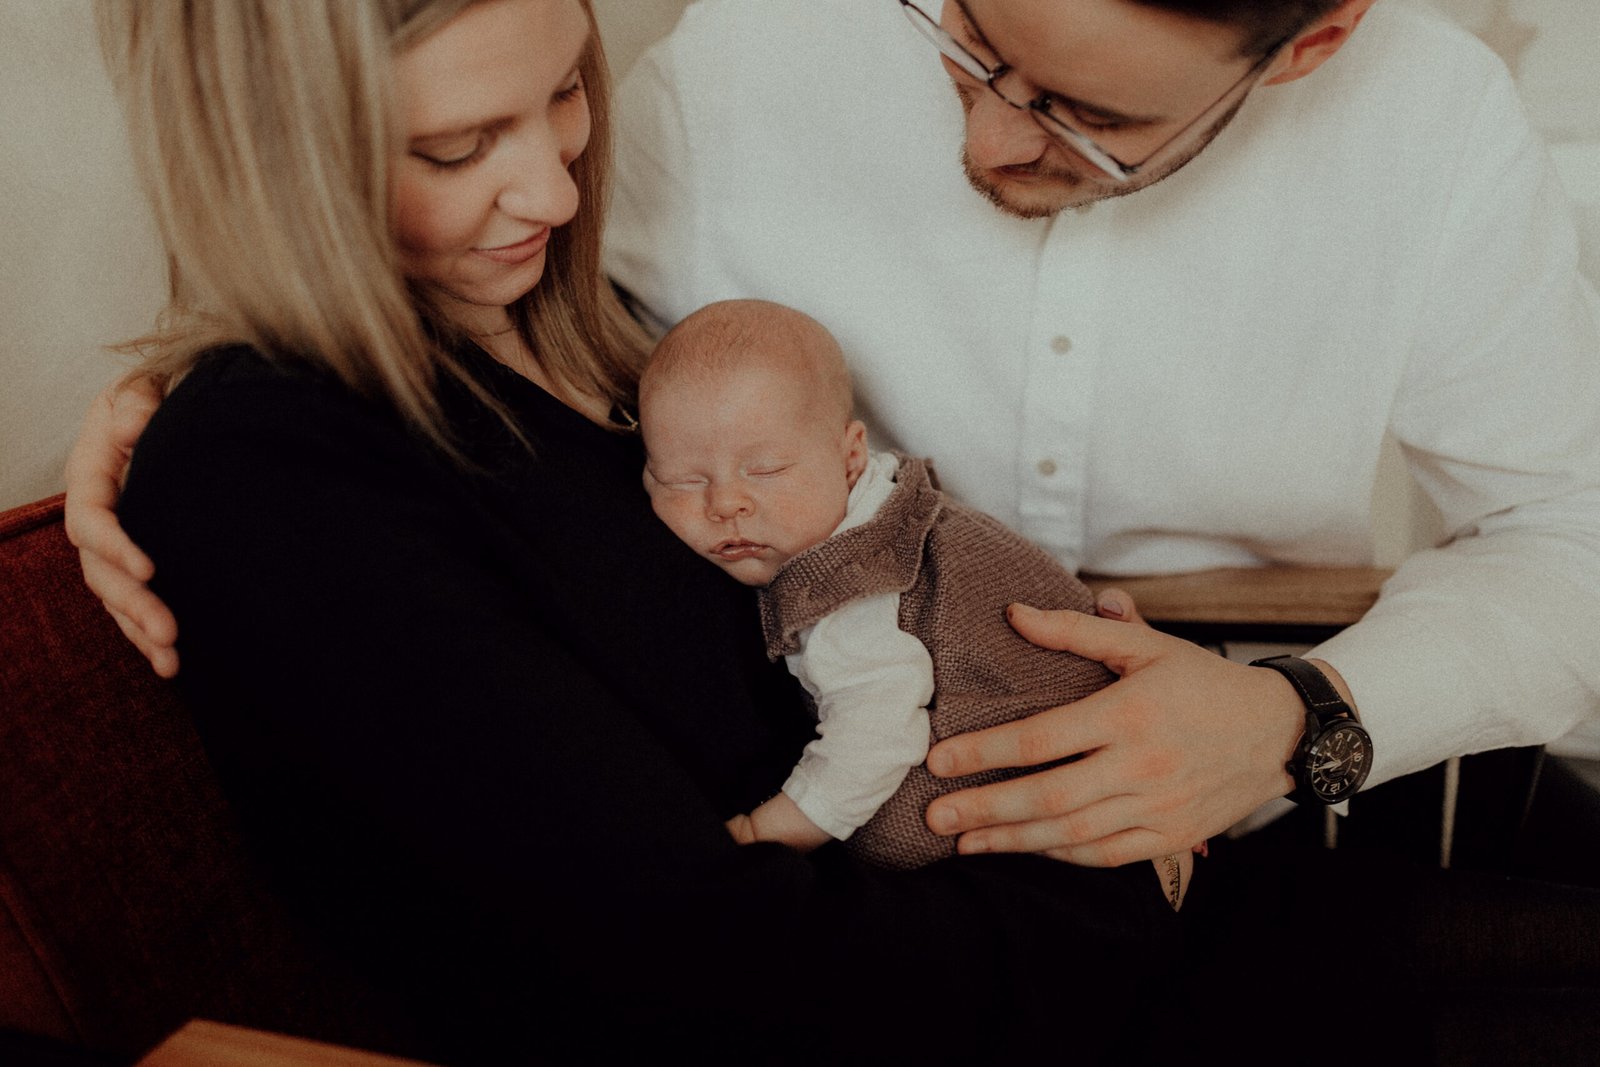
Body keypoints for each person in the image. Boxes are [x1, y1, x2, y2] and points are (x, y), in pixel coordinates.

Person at [80, 1, 1184, 1062]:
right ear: (275, 160)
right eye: (458, 148)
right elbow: (698, 966)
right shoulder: (276, 468)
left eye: (565, 90)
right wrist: (1130, 875)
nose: (555, 194)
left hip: (1049, 904)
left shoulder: (608, 358)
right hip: (1024, 973)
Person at [601, 0, 1600, 866]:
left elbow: (1571, 526)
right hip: (821, 783)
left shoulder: (1434, 117)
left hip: (1274, 794)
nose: (988, 145)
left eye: (1094, 117)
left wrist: (1300, 717)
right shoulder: (736, 62)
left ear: (1312, 43)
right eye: (972, 39)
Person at [641, 300, 1199, 891]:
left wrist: (765, 834)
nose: (725, 504)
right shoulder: (892, 506)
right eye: (683, 481)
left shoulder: (855, 589)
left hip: (1083, 824)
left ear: (850, 456)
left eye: (768, 470)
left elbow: (877, 738)